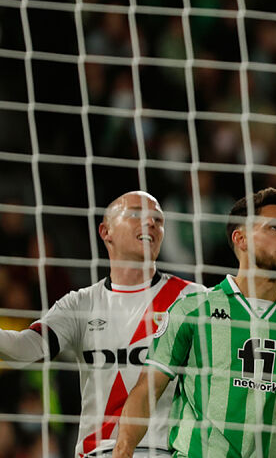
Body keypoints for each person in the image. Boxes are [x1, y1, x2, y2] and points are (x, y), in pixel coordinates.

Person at [111, 188, 276, 458]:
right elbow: (147, 390)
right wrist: (123, 450)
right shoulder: (194, 309)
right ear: (241, 239)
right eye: (275, 228)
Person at [0, 191, 203, 458]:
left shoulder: (192, 299)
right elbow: (25, 347)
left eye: (158, 219)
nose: (151, 223)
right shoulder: (80, 304)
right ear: (106, 231)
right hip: (96, 452)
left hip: (165, 451)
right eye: (135, 214)